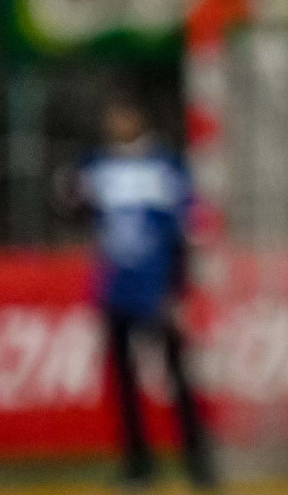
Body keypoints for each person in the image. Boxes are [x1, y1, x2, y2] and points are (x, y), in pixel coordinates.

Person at [61, 93, 215, 489]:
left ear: (139, 118)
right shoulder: (95, 164)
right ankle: (137, 463)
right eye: (113, 114)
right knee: (124, 379)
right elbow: (74, 208)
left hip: (156, 284)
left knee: (177, 374)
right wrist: (72, 193)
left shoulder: (164, 164)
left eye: (124, 113)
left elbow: (187, 226)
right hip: (114, 285)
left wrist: (176, 286)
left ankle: (198, 461)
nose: (117, 122)